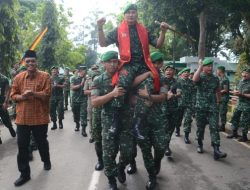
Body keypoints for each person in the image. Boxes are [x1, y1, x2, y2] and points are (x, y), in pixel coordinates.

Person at [97, 3, 169, 136]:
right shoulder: (118, 30)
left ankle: (137, 124)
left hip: (143, 65)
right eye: (128, 12)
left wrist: (163, 32)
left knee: (147, 89)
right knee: (121, 86)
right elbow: (103, 43)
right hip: (127, 64)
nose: (131, 14)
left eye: (133, 12)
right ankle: (116, 120)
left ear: (137, 14)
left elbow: (158, 45)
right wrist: (100, 28)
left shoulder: (144, 30)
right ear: (124, 15)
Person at [91, 51, 133, 190]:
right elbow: (95, 102)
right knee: (108, 153)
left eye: (115, 61)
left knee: (128, 152)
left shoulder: (125, 77)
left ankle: (121, 167)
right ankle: (111, 180)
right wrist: (112, 94)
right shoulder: (98, 80)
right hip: (109, 120)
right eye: (110, 61)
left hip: (125, 119)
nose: (113, 64)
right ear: (103, 63)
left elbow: (132, 92)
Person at [10, 50, 52, 186]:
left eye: (32, 61)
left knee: (41, 143)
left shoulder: (45, 76)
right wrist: (22, 97)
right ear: (24, 62)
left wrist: (33, 93)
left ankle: (46, 160)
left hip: (40, 118)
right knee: (22, 147)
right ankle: (24, 174)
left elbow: (47, 94)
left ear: (36, 62)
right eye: (27, 61)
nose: (30, 63)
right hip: (22, 119)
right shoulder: (18, 78)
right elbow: (13, 95)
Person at [132, 51, 167, 190]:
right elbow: (131, 88)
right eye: (153, 63)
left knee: (160, 148)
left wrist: (149, 96)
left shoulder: (162, 79)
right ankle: (152, 177)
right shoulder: (140, 77)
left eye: (158, 63)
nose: (156, 65)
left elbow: (164, 96)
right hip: (141, 120)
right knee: (146, 150)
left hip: (157, 118)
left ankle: (157, 160)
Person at [193, 58, 227, 160]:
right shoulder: (200, 76)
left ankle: (216, 150)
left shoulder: (215, 78)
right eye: (208, 66)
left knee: (214, 127)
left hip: (212, 106)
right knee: (200, 127)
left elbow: (218, 91)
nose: (210, 68)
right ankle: (199, 144)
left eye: (211, 66)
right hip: (201, 107)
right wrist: (199, 66)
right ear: (203, 67)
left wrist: (219, 101)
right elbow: (194, 80)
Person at [227, 67, 250, 142]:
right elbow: (237, 91)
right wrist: (235, 94)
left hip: (247, 105)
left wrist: (242, 94)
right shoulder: (240, 81)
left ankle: (244, 136)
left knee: (244, 120)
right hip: (239, 103)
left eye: (247, 73)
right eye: (243, 73)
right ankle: (234, 133)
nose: (244, 74)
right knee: (234, 118)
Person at [162, 64, 179, 157]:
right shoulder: (161, 80)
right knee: (163, 128)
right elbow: (161, 92)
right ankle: (164, 145)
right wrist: (165, 95)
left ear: (174, 72)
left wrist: (174, 95)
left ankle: (166, 145)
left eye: (171, 70)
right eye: (167, 70)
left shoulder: (177, 82)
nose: (169, 71)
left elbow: (179, 92)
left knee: (171, 128)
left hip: (173, 108)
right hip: (162, 108)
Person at [176, 67, 195, 144]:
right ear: (182, 73)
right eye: (185, 72)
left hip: (189, 104)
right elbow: (176, 92)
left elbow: (194, 93)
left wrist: (193, 103)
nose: (186, 73)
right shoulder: (178, 81)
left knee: (188, 120)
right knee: (178, 118)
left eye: (188, 72)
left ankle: (186, 136)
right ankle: (177, 129)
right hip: (179, 104)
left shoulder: (191, 82)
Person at [70, 65, 88, 136]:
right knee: (76, 114)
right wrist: (81, 84)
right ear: (80, 71)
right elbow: (72, 87)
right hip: (75, 99)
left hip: (84, 99)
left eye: (85, 70)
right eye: (83, 70)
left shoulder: (87, 78)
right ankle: (77, 124)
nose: (84, 72)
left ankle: (83, 129)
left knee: (84, 114)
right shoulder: (74, 78)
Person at [0, 72, 16, 144]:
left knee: (5, 118)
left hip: (1, 102)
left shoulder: (3, 79)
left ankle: (10, 127)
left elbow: (8, 90)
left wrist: (6, 101)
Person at [216, 66, 230, 132]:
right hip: (220, 98)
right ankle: (220, 125)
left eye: (217, 70)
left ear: (220, 71)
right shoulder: (220, 79)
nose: (216, 72)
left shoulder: (225, 79)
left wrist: (217, 92)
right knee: (219, 112)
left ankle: (223, 126)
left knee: (222, 113)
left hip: (224, 98)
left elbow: (225, 90)